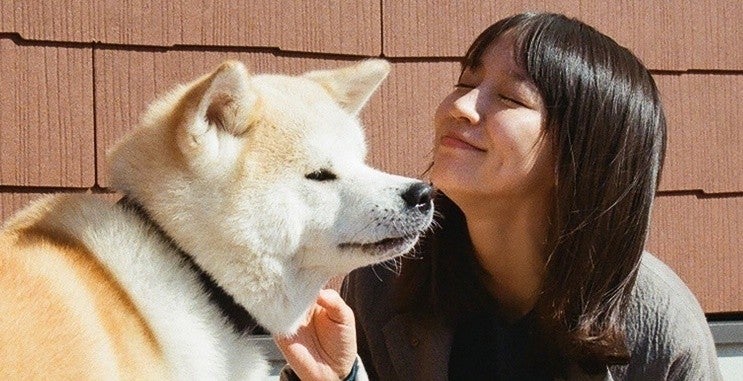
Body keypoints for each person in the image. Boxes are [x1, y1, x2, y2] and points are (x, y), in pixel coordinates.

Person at [275, 12, 722, 380]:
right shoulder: (385, 279)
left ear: (580, 155)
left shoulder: (661, 327)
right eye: (466, 82)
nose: (460, 106)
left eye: (510, 97)